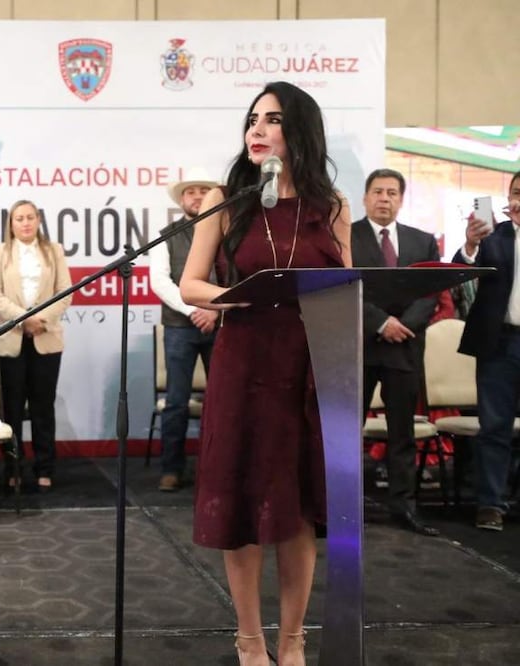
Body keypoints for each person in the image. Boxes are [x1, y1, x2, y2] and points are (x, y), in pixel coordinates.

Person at [180, 81, 352, 666]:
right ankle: (250, 640)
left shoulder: (332, 207)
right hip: (245, 362)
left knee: (299, 508)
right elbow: (191, 284)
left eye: (272, 120)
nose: (256, 129)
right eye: (253, 119)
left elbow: (346, 288)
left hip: (309, 368)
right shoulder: (226, 200)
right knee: (244, 503)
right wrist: (243, 294)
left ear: (299, 130)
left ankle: (294, 638)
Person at [351, 168, 441, 537]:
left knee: (402, 432)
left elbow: (431, 290)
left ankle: (404, 507)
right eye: (377, 192)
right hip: (359, 345)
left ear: (401, 199)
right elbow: (344, 283)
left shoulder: (422, 242)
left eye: (391, 192)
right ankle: (343, 505)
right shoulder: (346, 236)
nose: (384, 198)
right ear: (365, 197)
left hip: (404, 347)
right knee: (347, 430)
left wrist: (403, 325)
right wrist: (380, 323)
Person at [0, 200, 72, 491]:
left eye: (30, 217)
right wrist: (24, 319)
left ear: (38, 220)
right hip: (11, 339)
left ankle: (45, 468)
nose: (25, 223)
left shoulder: (53, 250)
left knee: (43, 407)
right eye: (19, 218)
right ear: (11, 223)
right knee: (12, 409)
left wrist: (40, 320)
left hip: (46, 338)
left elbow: (65, 292)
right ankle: (13, 469)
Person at [452, 169, 520, 532]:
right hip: (500, 344)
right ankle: (491, 504)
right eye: (516, 192)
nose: (519, 199)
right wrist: (470, 244)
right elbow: (460, 273)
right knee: (494, 426)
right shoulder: (495, 237)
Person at [148, 168, 219, 492]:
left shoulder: (228, 231)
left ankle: (217, 471)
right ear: (181, 199)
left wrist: (214, 312)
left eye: (204, 190)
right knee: (176, 401)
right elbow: (160, 281)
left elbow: (235, 274)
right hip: (180, 327)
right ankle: (171, 469)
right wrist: (195, 310)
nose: (198, 196)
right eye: (191, 192)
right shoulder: (166, 234)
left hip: (222, 325)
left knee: (223, 402)